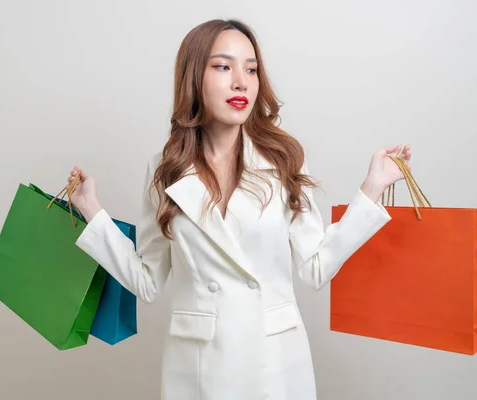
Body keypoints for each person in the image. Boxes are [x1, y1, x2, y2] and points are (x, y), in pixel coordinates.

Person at [67, 19, 410, 400]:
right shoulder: (165, 169)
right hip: (199, 368)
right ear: (194, 77)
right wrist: (92, 211)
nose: (241, 82)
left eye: (251, 69)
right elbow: (147, 281)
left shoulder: (284, 160)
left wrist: (371, 189)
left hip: (275, 363)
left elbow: (316, 268)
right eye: (222, 66)